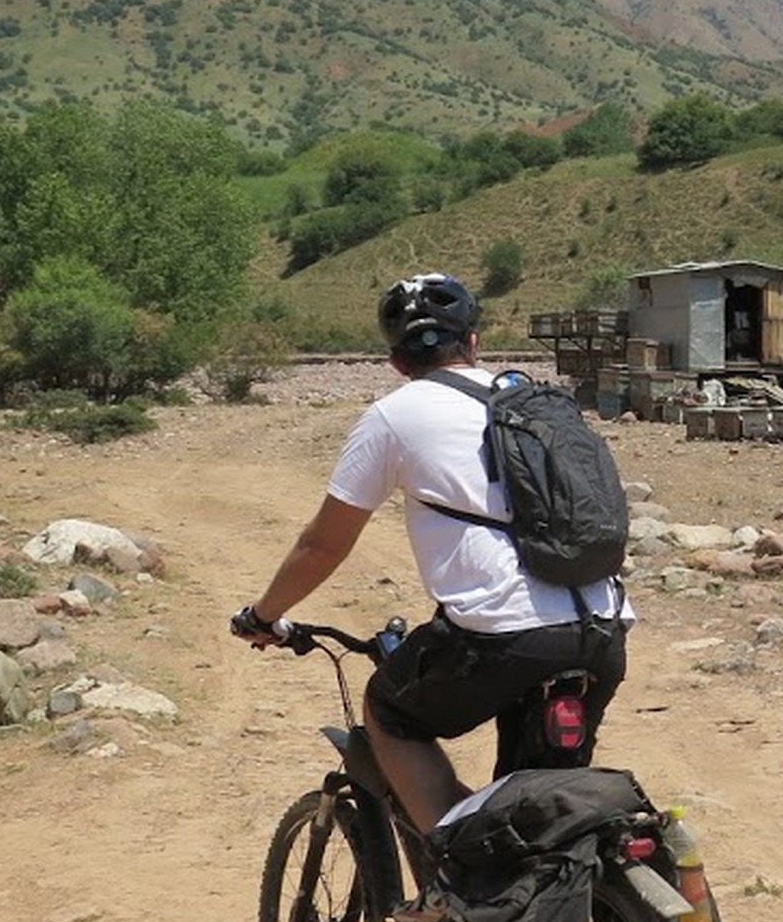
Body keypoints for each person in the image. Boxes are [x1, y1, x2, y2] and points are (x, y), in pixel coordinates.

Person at [231, 272, 632, 838]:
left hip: (503, 637)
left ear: (396, 362)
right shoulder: (530, 403)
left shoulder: (395, 415)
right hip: (602, 625)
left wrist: (264, 615)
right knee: (542, 815)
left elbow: (323, 544)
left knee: (389, 710)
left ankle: (453, 866)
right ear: (473, 344)